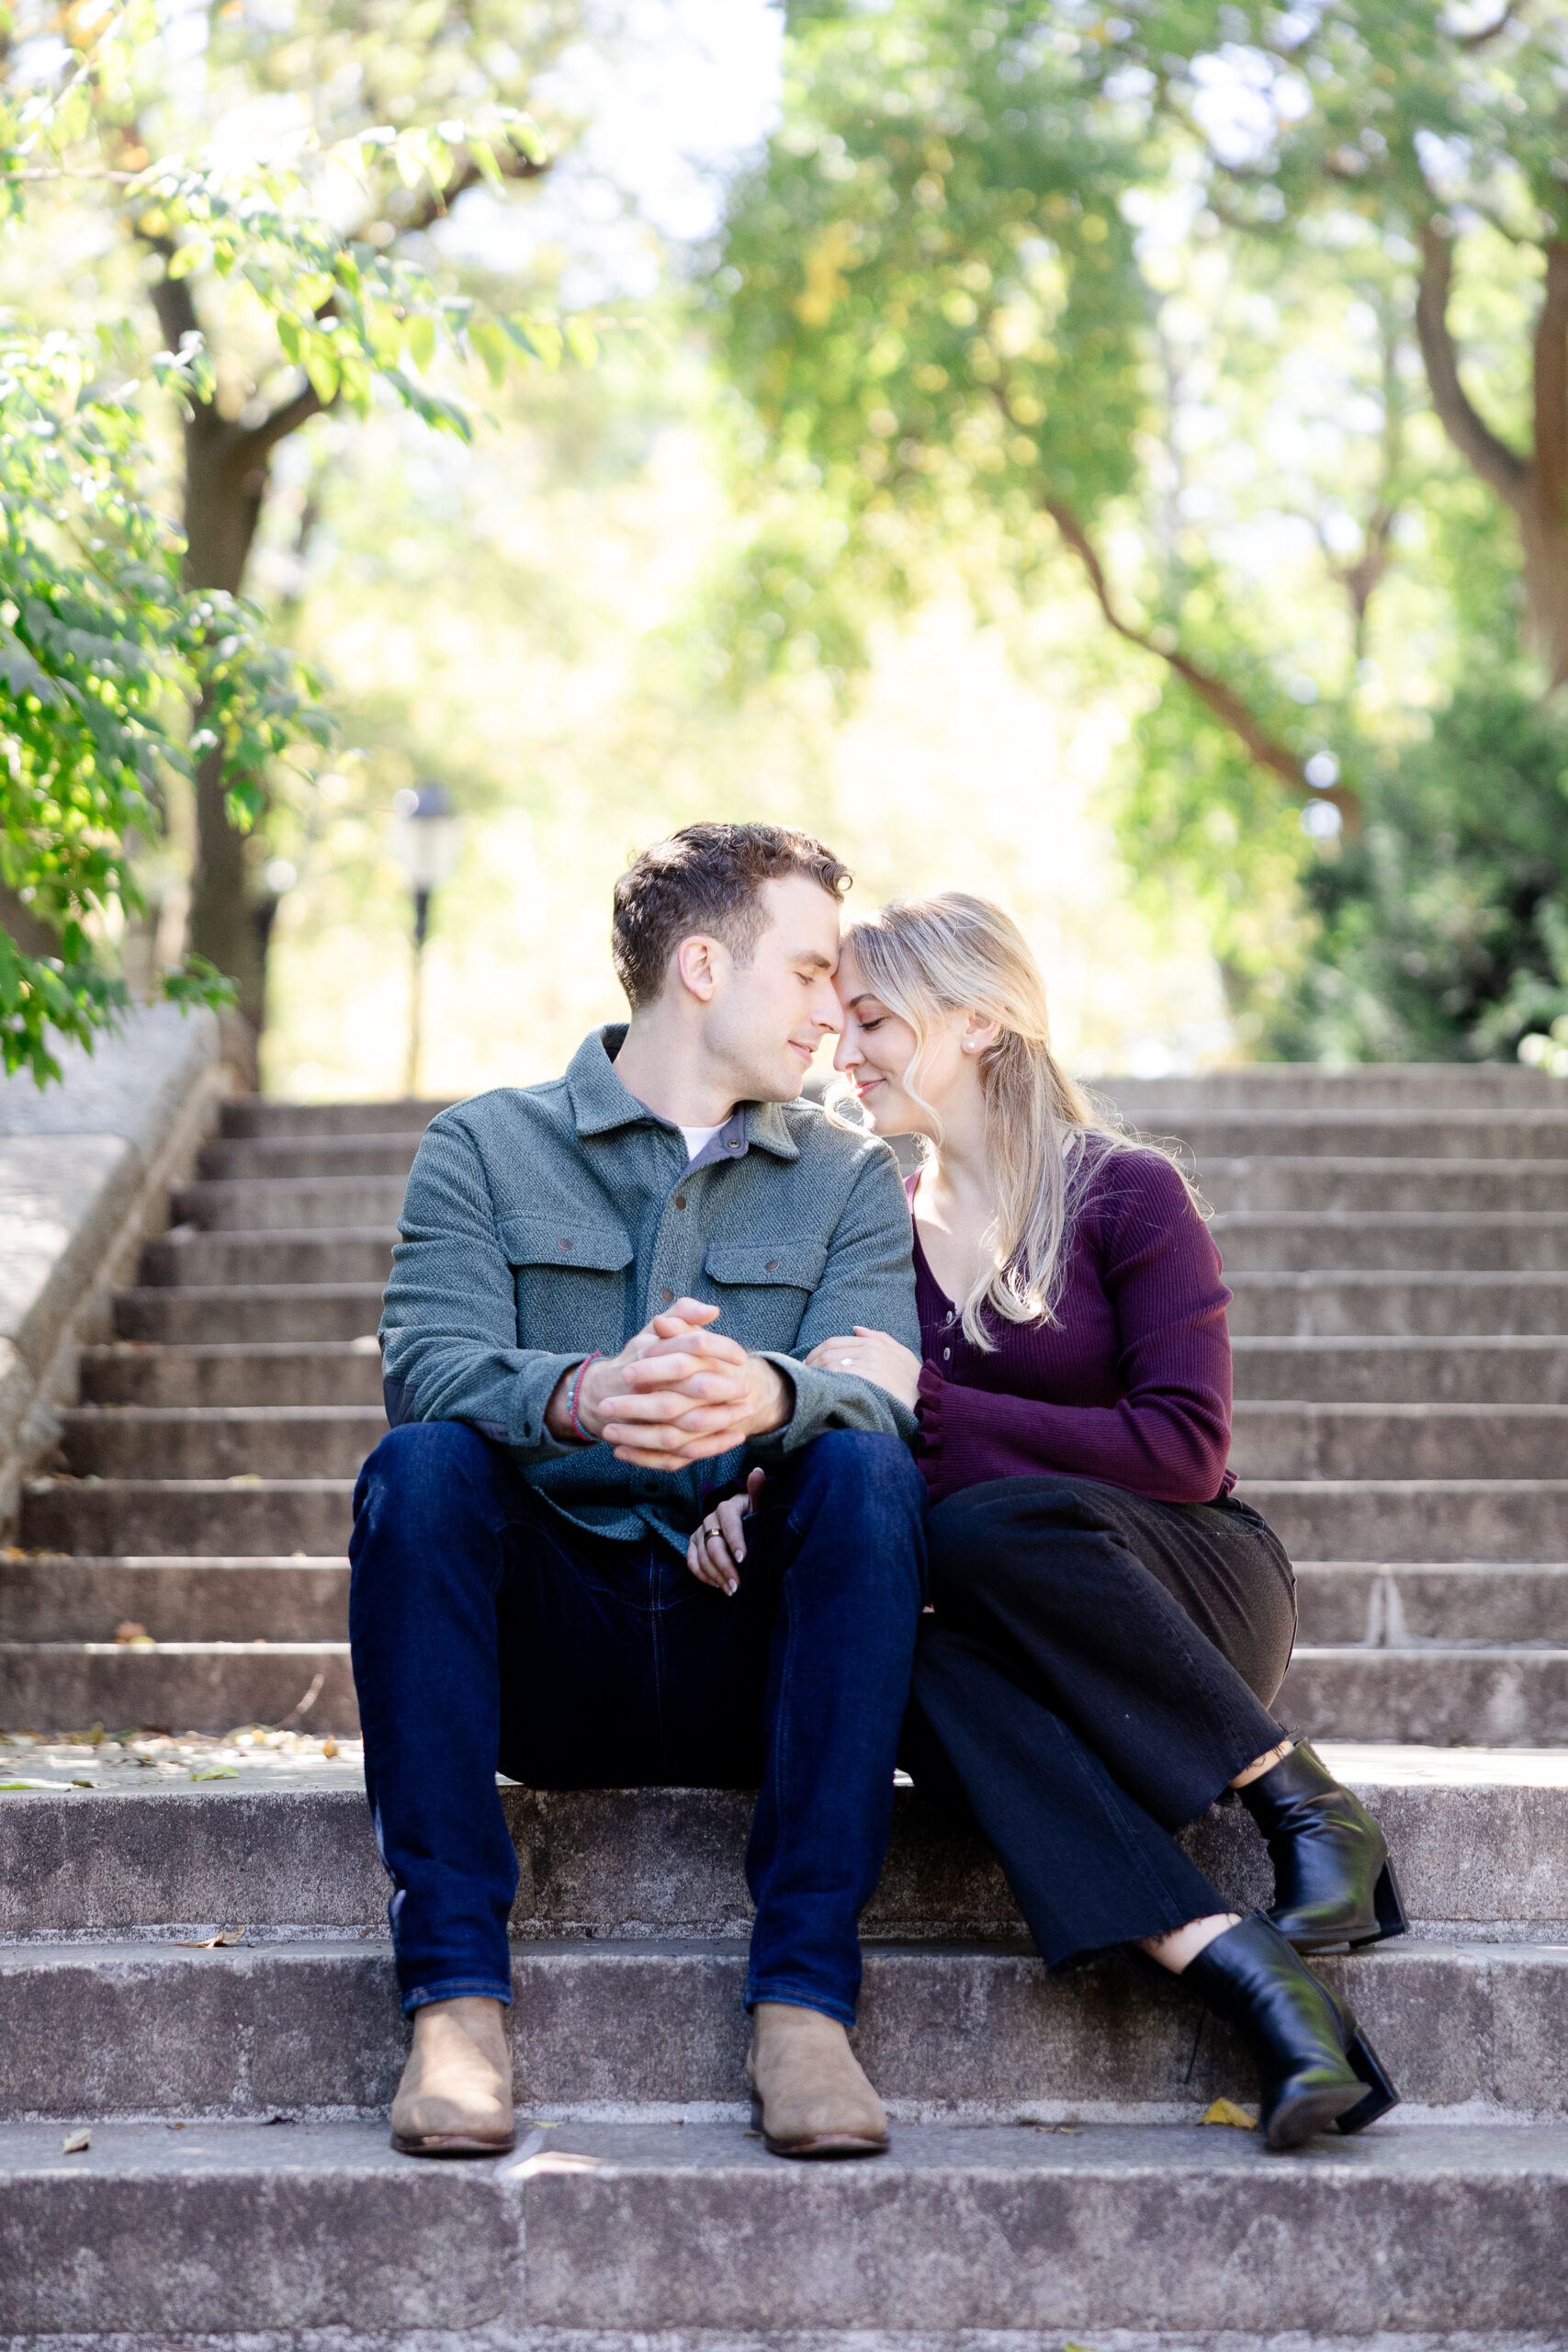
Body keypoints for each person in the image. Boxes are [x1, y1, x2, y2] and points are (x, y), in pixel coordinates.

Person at [691, 891, 1402, 2155]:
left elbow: (1186, 1450)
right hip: (1011, 1638)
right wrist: (749, 1501)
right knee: (887, 1652)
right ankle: (1251, 1978)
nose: (842, 1051)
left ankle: (1295, 1798)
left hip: (1180, 1602)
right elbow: (857, 1438)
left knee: (981, 1530)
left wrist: (937, 1412)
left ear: (981, 1020)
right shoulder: (876, 1240)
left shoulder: (1127, 1194)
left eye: (873, 1021)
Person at [352, 823, 927, 2164]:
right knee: (420, 1466)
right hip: (557, 1650)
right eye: (810, 972)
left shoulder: (849, 1180)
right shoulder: (484, 1148)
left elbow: (887, 1390)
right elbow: (426, 1365)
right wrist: (582, 1396)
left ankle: (804, 2011)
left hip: (747, 1643)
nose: (837, 1014)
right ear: (706, 966)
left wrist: (773, 1400)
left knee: (863, 1465)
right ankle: (453, 2007)